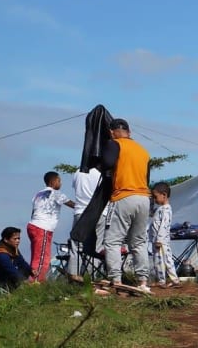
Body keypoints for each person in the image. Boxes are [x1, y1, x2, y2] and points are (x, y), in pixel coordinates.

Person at [100, 118, 152, 293]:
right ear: (129, 132)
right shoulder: (143, 151)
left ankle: (116, 279)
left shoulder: (114, 144)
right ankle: (143, 281)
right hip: (144, 198)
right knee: (138, 241)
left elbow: (106, 163)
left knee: (112, 241)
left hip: (124, 196)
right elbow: (147, 176)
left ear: (112, 132)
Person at [27, 171, 75, 281]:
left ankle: (36, 280)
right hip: (42, 228)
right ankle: (36, 282)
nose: (61, 183)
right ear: (52, 182)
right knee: (42, 258)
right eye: (59, 180)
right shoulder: (56, 193)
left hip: (33, 225)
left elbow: (33, 211)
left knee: (36, 255)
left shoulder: (38, 194)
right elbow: (72, 204)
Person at [67, 168, 101, 279]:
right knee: (96, 247)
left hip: (80, 211)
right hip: (99, 212)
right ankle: (91, 277)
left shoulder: (78, 172)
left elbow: (77, 189)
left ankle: (74, 275)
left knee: (76, 245)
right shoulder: (102, 173)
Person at [149, 182, 181, 288]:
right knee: (159, 260)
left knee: (164, 260)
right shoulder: (160, 208)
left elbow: (164, 225)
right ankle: (162, 280)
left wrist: (159, 239)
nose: (154, 199)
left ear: (164, 195)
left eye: (155, 197)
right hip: (157, 240)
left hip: (161, 241)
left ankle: (171, 280)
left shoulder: (166, 209)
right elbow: (151, 215)